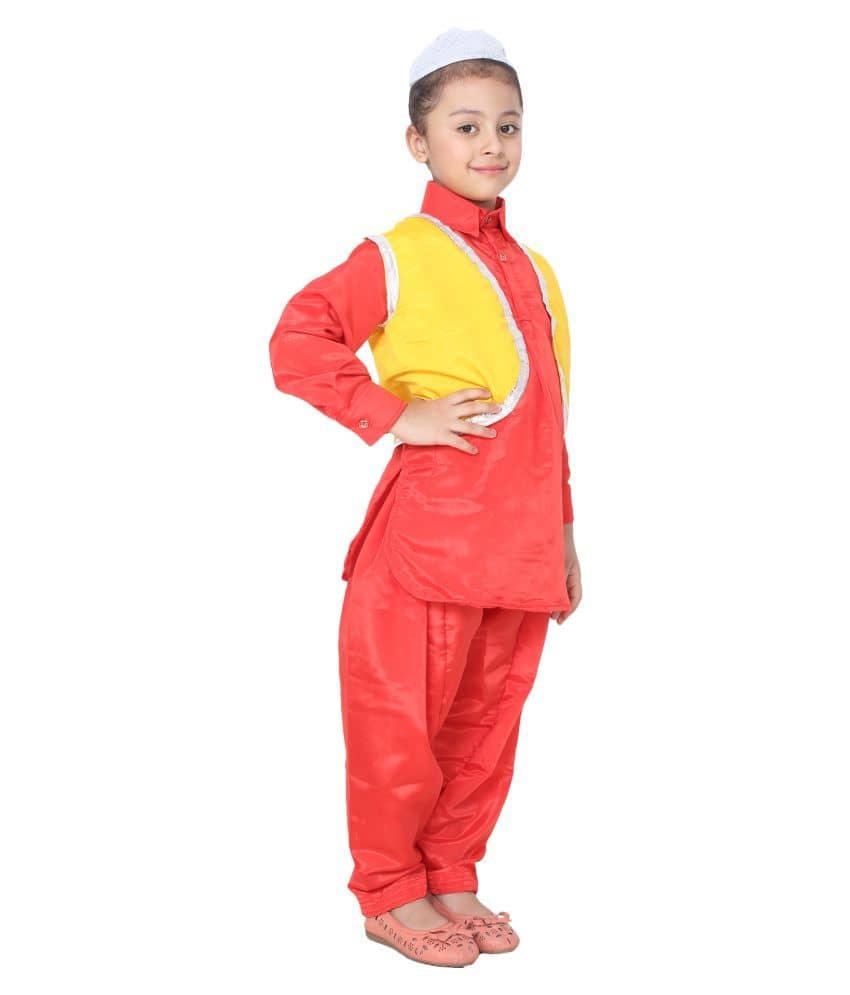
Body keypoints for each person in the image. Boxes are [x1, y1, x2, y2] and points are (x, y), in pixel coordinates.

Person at [269, 27, 583, 967]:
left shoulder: (535, 267)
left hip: (521, 546)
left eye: (508, 126)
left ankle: (449, 868)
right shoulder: (397, 253)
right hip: (431, 543)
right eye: (466, 126)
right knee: (402, 724)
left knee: (485, 725)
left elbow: (548, 419)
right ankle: (389, 888)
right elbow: (298, 340)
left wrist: (565, 532)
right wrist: (393, 414)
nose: (492, 145)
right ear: (420, 142)